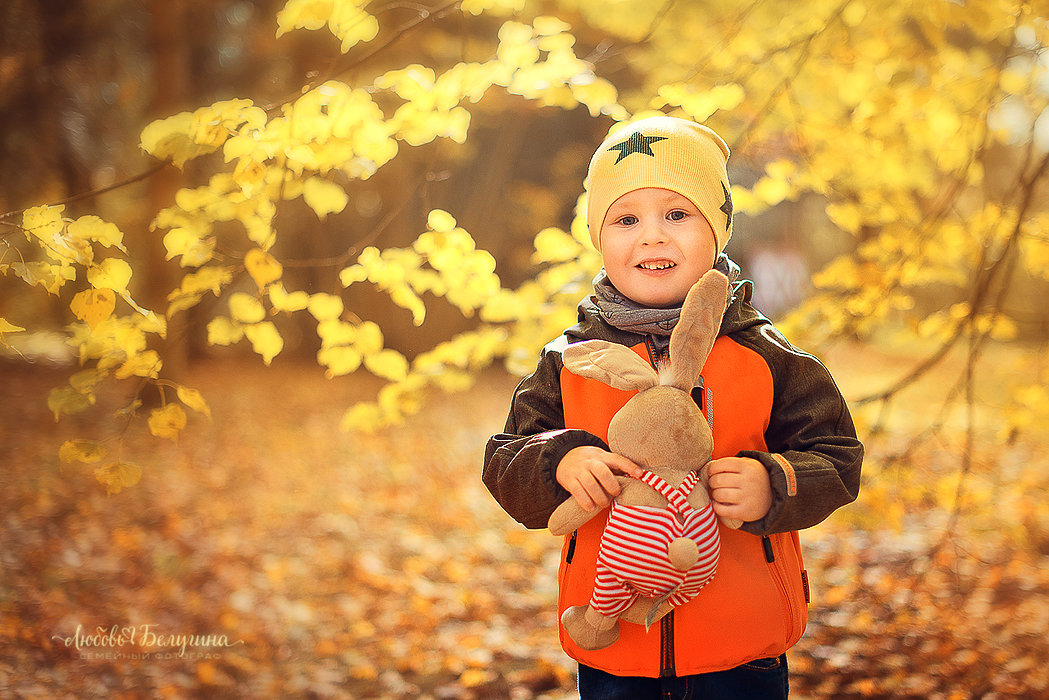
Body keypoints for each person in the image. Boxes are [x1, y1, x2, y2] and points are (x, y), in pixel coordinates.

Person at [482, 115, 863, 699]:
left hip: (741, 646)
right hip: (614, 641)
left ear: (718, 230)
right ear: (599, 238)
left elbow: (837, 457)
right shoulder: (571, 359)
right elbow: (504, 460)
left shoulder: (768, 357)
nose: (653, 237)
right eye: (627, 219)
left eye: (678, 215)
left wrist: (775, 483)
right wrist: (556, 463)